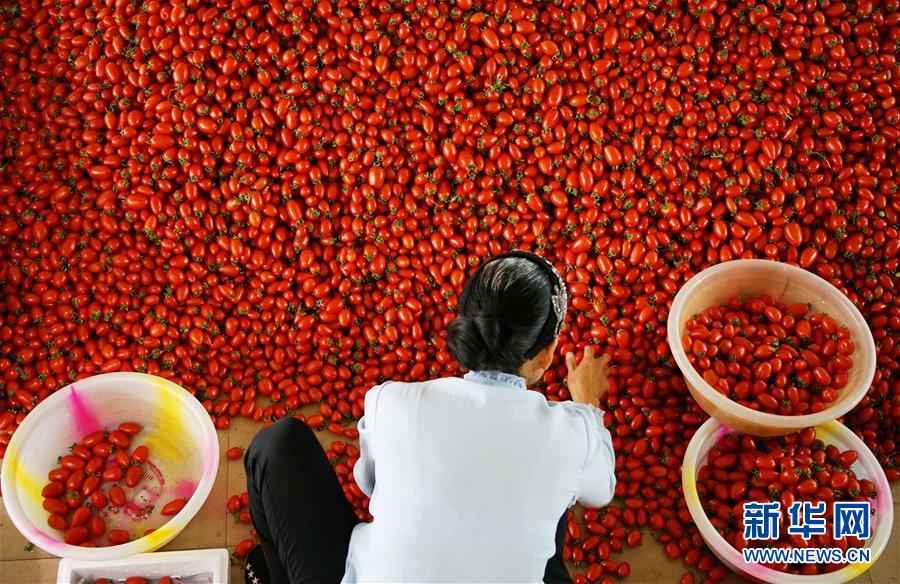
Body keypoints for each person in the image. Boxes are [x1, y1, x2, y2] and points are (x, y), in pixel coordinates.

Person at [243, 250, 616, 584]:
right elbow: (601, 491)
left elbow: (370, 485)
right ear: (547, 354)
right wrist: (587, 406)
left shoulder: (390, 402)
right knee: (553, 484)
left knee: (277, 444)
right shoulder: (571, 435)